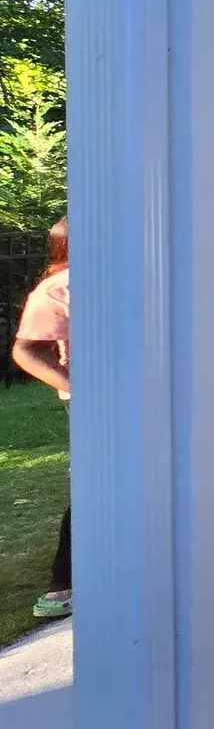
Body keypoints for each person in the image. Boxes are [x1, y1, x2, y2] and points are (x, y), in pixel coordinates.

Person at [12, 216, 71, 620]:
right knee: (99, 484)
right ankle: (63, 583)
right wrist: (81, 390)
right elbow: (26, 351)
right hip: (97, 405)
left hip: (149, 394)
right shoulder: (57, 289)